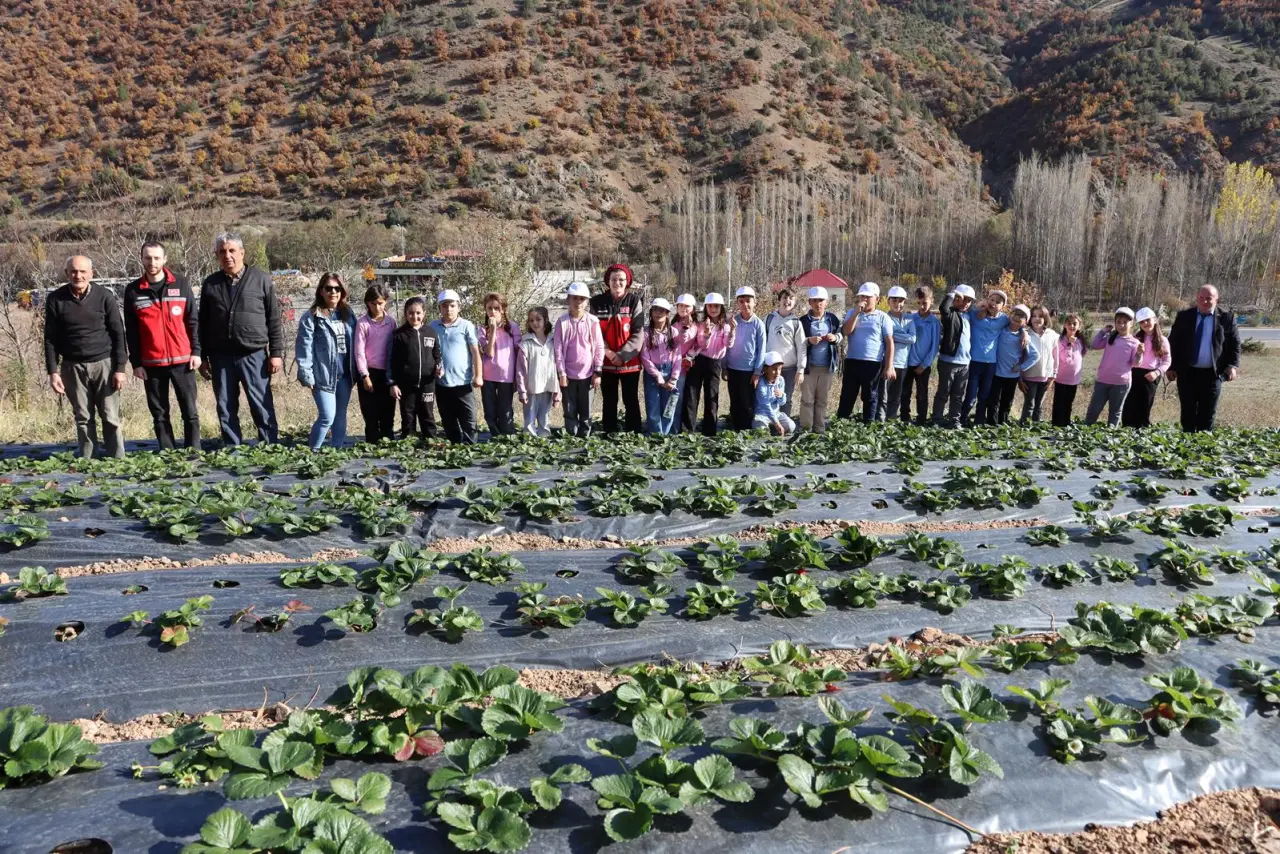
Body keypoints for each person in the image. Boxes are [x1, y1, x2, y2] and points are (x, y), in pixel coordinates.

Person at [198, 232, 284, 445]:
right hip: (221, 357)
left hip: (253, 355)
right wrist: (203, 356)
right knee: (225, 405)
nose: (227, 255)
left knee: (261, 403)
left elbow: (274, 318)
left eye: (232, 250)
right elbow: (203, 323)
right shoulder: (211, 284)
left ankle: (269, 446)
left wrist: (276, 353)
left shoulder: (261, 279)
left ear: (242, 253)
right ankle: (232, 448)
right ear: (217, 256)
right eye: (222, 252)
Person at [44, 255, 128, 459]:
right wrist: (53, 372)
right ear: (67, 273)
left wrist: (120, 369)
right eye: (73, 271)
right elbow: (50, 339)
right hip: (72, 366)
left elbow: (118, 334)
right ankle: (88, 459)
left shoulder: (105, 296)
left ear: (92, 273)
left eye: (83, 271)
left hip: (104, 364)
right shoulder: (55, 299)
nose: (78, 275)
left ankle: (117, 459)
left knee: (110, 415)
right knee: (83, 417)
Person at [123, 241, 201, 450]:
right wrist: (136, 363)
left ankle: (194, 452)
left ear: (165, 259)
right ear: (142, 259)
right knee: (159, 414)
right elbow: (131, 331)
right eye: (148, 258)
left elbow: (193, 320)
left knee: (190, 411)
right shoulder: (133, 291)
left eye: (157, 258)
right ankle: (168, 452)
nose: (152, 262)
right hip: (152, 363)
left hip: (183, 360)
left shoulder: (181, 284)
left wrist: (196, 351)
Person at [1167, 284, 1241, 432]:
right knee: (1187, 413)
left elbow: (1235, 344)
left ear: (1216, 299)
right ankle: (1187, 442)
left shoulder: (1226, 318)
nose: (1204, 301)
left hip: (1213, 374)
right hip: (1187, 373)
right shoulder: (1184, 317)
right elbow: (1173, 343)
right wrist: (1171, 366)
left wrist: (1232, 366)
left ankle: (1204, 443)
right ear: (1197, 298)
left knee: (1207, 414)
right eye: (1201, 298)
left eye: (1209, 298)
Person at [295, 273, 355, 449]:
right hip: (323, 375)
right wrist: (306, 373)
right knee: (327, 416)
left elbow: (356, 343)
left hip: (345, 375)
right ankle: (313, 451)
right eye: (328, 288)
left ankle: (336, 450)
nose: (333, 292)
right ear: (321, 291)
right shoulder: (311, 317)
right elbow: (304, 347)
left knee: (340, 414)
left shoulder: (348, 314)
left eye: (337, 288)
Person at [591, 264, 643, 433]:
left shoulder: (634, 301)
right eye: (614, 279)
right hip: (606, 361)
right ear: (608, 281)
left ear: (627, 281)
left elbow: (638, 332)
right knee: (609, 400)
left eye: (621, 279)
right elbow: (593, 332)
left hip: (629, 362)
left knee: (631, 399)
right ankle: (609, 432)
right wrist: (608, 352)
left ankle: (634, 433)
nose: (617, 283)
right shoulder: (596, 302)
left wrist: (622, 355)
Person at [430, 289, 482, 443]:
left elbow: (475, 352)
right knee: (448, 419)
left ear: (459, 307)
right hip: (442, 383)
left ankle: (471, 447)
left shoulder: (466, 326)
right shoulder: (433, 326)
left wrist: (478, 376)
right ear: (439, 308)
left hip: (463, 382)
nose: (448, 309)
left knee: (469, 419)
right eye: (444, 306)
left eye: (452, 305)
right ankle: (455, 446)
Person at [554, 282, 605, 437]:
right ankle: (571, 437)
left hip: (588, 374)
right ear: (568, 299)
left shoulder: (593, 321)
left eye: (582, 299)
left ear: (587, 301)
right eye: (575, 298)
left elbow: (599, 347)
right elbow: (558, 350)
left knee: (586, 410)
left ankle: (585, 437)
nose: (578, 302)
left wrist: (597, 371)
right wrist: (561, 373)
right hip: (568, 375)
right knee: (569, 410)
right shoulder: (562, 322)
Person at [839, 282, 894, 422]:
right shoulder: (852, 313)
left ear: (877, 299)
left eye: (868, 297)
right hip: (852, 360)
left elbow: (889, 343)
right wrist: (856, 313)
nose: (864, 299)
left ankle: (868, 424)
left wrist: (889, 366)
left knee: (870, 396)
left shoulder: (883, 317)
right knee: (847, 395)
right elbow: (846, 331)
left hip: (872, 363)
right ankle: (841, 422)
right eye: (861, 296)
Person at [388, 297, 439, 439]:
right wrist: (393, 383)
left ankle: (430, 442)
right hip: (406, 385)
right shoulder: (399, 334)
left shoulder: (431, 332)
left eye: (418, 313)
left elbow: (437, 354)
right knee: (408, 416)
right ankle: (408, 444)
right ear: (405, 314)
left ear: (424, 313)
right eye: (410, 313)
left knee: (427, 415)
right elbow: (393, 361)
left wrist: (439, 367)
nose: (414, 316)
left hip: (427, 383)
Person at [1085, 307, 1143, 427]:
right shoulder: (1110, 338)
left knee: (1115, 412)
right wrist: (1103, 331)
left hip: (1121, 383)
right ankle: (1086, 430)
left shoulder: (1134, 342)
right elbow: (1094, 345)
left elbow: (1136, 363)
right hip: (1102, 380)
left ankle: (1111, 434)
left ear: (1132, 323)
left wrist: (1139, 353)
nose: (1121, 325)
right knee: (1093, 410)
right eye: (1118, 322)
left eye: (1125, 322)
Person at [354, 283, 397, 444]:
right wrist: (364, 375)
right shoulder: (362, 324)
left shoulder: (391, 322)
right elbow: (359, 351)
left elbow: (395, 347)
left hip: (387, 373)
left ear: (385, 302)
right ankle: (371, 446)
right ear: (367, 303)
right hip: (369, 373)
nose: (377, 307)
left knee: (388, 413)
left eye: (380, 303)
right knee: (370, 414)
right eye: (373, 303)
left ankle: (388, 445)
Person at [961, 289, 1010, 426]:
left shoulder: (1004, 319)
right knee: (971, 396)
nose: (993, 303)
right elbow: (964, 310)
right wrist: (980, 307)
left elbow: (1018, 324)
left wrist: (1024, 333)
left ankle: (979, 422)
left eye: (998, 302)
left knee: (984, 396)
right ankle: (961, 420)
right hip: (974, 361)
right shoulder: (975, 314)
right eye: (991, 300)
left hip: (990, 364)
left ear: (1003, 306)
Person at [797, 286, 842, 433]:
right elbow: (798, 342)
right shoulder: (803, 321)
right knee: (807, 400)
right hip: (809, 367)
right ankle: (806, 429)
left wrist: (835, 337)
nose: (818, 303)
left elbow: (841, 335)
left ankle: (819, 429)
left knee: (822, 400)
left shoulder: (832, 319)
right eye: (815, 300)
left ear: (826, 302)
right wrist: (809, 341)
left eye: (821, 300)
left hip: (827, 367)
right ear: (809, 302)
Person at [685, 293, 730, 436]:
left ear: (721, 308)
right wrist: (706, 334)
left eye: (716, 306)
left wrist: (733, 331)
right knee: (692, 393)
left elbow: (727, 344)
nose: (713, 309)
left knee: (711, 396)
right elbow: (701, 345)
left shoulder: (726, 326)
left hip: (714, 363)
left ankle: (709, 430)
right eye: (710, 306)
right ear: (705, 307)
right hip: (699, 359)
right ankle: (688, 429)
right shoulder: (701, 324)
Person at [985, 304, 1038, 426]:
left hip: (1012, 376)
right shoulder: (1001, 330)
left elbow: (1035, 356)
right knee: (993, 401)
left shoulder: (1024, 338)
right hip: (996, 373)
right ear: (1010, 315)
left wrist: (1020, 367)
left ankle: (1002, 424)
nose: (1017, 317)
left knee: (1006, 402)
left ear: (1026, 322)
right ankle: (991, 425)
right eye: (1015, 313)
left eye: (1022, 316)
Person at [931, 284, 975, 429]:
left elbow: (983, 310)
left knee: (958, 395)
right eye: (962, 299)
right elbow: (943, 307)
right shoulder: (950, 314)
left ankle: (954, 420)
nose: (965, 303)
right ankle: (937, 419)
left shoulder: (969, 316)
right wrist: (953, 294)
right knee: (943, 392)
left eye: (969, 301)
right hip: (948, 361)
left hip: (965, 363)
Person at [477, 292, 521, 437]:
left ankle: (507, 435)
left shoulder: (513, 327)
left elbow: (518, 352)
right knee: (489, 411)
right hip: (488, 375)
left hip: (506, 376)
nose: (493, 311)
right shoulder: (482, 329)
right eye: (489, 308)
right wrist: (493, 330)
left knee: (505, 410)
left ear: (503, 309)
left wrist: (517, 376)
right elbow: (489, 353)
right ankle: (495, 436)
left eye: (496, 308)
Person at [1122, 307, 1172, 429]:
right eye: (1142, 321)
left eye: (1147, 320)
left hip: (1151, 375)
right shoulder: (1136, 339)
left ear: (1155, 320)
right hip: (1134, 373)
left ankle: (1143, 429)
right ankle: (1126, 429)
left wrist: (1157, 372)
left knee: (1145, 404)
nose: (1145, 323)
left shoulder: (1163, 340)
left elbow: (1167, 361)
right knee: (1129, 404)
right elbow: (1130, 358)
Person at [725, 286, 766, 430]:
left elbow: (761, 350)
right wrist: (724, 367)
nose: (745, 304)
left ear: (755, 302)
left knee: (747, 402)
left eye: (748, 301)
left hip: (749, 371)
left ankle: (746, 430)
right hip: (732, 368)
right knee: (734, 400)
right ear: (737, 303)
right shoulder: (732, 322)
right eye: (741, 301)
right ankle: (735, 428)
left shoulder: (758, 324)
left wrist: (757, 372)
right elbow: (725, 345)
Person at [638, 298, 682, 435]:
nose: (658, 313)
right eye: (655, 310)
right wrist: (657, 375)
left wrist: (674, 378)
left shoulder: (674, 333)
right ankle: (655, 435)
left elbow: (677, 358)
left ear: (668, 314)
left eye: (662, 311)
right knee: (653, 404)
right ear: (651, 313)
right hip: (652, 373)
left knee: (669, 406)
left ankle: (665, 434)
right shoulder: (646, 333)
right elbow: (644, 357)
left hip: (669, 371)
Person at [516, 306, 558, 437]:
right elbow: (520, 370)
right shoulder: (525, 343)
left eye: (538, 319)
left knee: (545, 416)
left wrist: (558, 391)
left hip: (548, 387)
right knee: (529, 418)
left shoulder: (553, 341)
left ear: (545, 320)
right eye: (531, 320)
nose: (535, 323)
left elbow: (557, 366)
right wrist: (522, 391)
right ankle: (529, 439)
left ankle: (544, 438)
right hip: (531, 388)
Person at [764, 289, 806, 418]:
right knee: (768, 397)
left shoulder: (796, 323)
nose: (787, 301)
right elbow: (762, 341)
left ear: (795, 302)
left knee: (785, 399)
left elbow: (802, 347)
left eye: (791, 299)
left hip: (789, 369)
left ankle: (784, 423)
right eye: (784, 298)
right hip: (770, 367)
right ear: (779, 300)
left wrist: (801, 369)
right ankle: (767, 423)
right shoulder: (769, 319)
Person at [877, 286, 916, 421]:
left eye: (901, 301)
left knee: (896, 395)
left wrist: (894, 336)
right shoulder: (884, 318)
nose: (898, 304)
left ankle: (891, 420)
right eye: (894, 300)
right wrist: (900, 336)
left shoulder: (909, 319)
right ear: (888, 301)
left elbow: (913, 339)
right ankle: (880, 421)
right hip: (888, 362)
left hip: (903, 362)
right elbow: (885, 338)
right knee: (883, 395)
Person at [902, 286, 939, 425]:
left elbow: (934, 346)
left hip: (923, 365)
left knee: (922, 393)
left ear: (932, 301)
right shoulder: (911, 318)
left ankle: (921, 420)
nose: (922, 306)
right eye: (919, 303)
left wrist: (924, 365)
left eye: (925, 303)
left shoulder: (934, 322)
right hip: (908, 362)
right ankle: (904, 418)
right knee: (905, 392)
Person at [1019, 305, 1059, 424]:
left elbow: (1055, 356)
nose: (1037, 319)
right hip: (1029, 377)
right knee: (1029, 404)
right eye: (1034, 316)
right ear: (1030, 318)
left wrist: (1053, 375)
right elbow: (1020, 357)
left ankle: (1036, 427)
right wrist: (1019, 379)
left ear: (1045, 318)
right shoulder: (1026, 334)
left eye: (1040, 316)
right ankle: (1024, 426)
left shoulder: (1052, 335)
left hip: (1045, 377)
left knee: (1039, 405)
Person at [672, 293, 700, 432]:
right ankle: (667, 425)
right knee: (668, 397)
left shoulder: (695, 326)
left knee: (678, 397)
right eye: (681, 305)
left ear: (693, 309)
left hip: (682, 368)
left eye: (687, 306)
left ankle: (676, 427)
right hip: (669, 366)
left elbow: (698, 345)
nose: (683, 308)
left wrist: (689, 356)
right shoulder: (672, 324)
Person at [1051, 314, 1085, 426]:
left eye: (1075, 324)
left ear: (1079, 326)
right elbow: (1064, 358)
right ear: (1065, 325)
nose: (1072, 326)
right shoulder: (1061, 340)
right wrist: (1069, 344)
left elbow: (1082, 354)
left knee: (1069, 402)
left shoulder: (1080, 340)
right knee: (1059, 403)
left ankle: (1066, 423)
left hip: (1074, 379)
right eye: (1069, 323)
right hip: (1062, 378)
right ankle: (1057, 424)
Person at [753, 352, 794, 435]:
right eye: (774, 369)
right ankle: (773, 427)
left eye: (779, 369)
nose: (777, 372)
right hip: (762, 415)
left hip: (776, 414)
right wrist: (777, 424)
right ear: (765, 369)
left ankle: (773, 427)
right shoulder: (761, 382)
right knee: (761, 431)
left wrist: (781, 396)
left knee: (791, 426)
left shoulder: (781, 380)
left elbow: (782, 403)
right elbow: (765, 405)